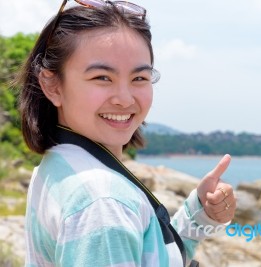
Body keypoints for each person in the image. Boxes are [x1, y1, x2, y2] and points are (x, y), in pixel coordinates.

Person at [17, 0, 236, 266]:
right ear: (52, 86)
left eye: (139, 78)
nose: (124, 98)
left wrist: (197, 214)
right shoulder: (103, 202)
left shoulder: (61, 165)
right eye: (102, 77)